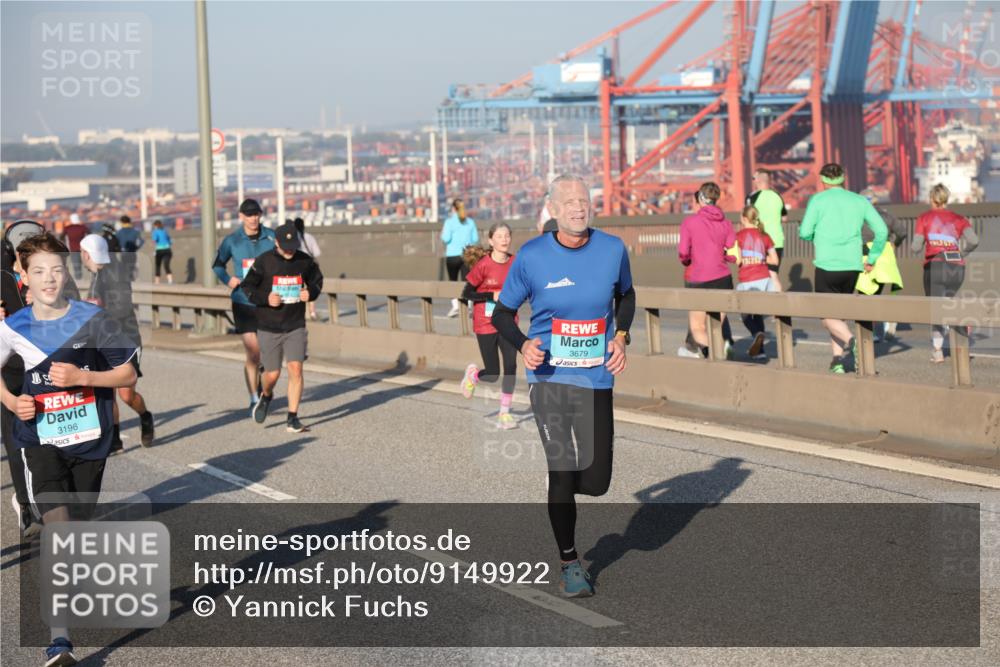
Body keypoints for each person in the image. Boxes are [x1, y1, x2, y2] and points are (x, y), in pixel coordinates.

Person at [492, 175, 635, 598]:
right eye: (569, 201)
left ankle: (562, 492)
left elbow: (627, 296)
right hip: (550, 377)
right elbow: (502, 314)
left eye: (584, 200)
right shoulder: (533, 256)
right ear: (552, 210)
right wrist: (523, 346)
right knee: (561, 468)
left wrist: (622, 336)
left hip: (595, 376)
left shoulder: (612, 249)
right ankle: (571, 562)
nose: (578, 207)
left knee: (595, 481)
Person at [0, 232, 137, 667]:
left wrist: (84, 378)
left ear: (67, 271)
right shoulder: (12, 327)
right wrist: (11, 400)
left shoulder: (91, 319)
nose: (49, 279)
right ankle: (60, 643)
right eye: (38, 271)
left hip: (90, 443)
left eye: (56, 270)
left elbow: (128, 374)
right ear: (23, 276)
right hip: (39, 440)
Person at [799, 163, 887, 373]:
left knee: (827, 316)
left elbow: (804, 232)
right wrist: (872, 257)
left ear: (822, 180)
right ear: (842, 179)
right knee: (837, 315)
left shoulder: (818, 200)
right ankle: (837, 361)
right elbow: (882, 231)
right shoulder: (859, 201)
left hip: (826, 265)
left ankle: (852, 342)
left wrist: (816, 237)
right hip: (852, 266)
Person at [241, 220, 324, 433]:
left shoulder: (304, 261)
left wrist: (311, 293)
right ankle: (266, 395)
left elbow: (317, 280)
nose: (290, 251)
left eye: (293, 247)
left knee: (296, 369)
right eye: (286, 248)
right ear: (276, 242)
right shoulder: (264, 262)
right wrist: (266, 298)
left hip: (295, 324)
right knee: (273, 374)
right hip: (269, 326)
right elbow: (247, 287)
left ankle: (293, 417)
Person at [80, 234, 155, 450]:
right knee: (107, 391)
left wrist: (98, 312)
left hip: (126, 341)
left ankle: (145, 416)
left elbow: (121, 309)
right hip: (103, 342)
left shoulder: (115, 275)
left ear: (86, 254)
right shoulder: (96, 276)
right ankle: (114, 440)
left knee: (126, 395)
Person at [212, 198, 276, 414]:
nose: (253, 218)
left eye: (256, 214)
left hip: (267, 301)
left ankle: (263, 383)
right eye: (249, 215)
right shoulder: (232, 241)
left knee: (268, 352)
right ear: (241, 216)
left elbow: (284, 258)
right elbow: (218, 265)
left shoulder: (271, 236)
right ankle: (253, 397)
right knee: (253, 351)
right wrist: (228, 279)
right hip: (243, 301)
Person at [458, 223, 519, 429]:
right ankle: (473, 375)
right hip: (485, 322)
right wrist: (491, 295)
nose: (504, 239)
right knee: (492, 374)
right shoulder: (483, 265)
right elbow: (466, 293)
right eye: (499, 236)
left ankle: (504, 413)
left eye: (507, 235)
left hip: (509, 321)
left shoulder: (516, 262)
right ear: (491, 241)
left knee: (511, 366)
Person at [911, 184, 980, 363]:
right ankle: (960, 323)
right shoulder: (959, 218)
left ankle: (938, 351)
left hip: (935, 267)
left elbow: (915, 246)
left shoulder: (924, 218)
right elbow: (974, 240)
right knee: (948, 303)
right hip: (957, 267)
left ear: (932, 198)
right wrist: (961, 253)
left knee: (936, 309)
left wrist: (920, 248)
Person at [677, 182, 737, 360]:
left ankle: (718, 348)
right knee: (716, 324)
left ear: (701, 199)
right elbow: (733, 254)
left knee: (698, 328)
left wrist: (687, 260)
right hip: (724, 278)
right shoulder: (726, 223)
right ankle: (722, 346)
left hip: (699, 278)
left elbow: (683, 253)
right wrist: (722, 256)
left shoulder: (690, 222)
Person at [856, 189, 908, 342]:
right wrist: (894, 244)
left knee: (865, 296)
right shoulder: (887, 215)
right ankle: (888, 319)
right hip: (886, 260)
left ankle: (870, 332)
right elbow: (902, 232)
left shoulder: (860, 217)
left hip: (867, 258)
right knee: (877, 295)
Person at [734, 205, 780, 360]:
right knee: (758, 314)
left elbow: (738, 260)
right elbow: (775, 260)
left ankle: (756, 333)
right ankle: (760, 352)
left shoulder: (739, 235)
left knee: (745, 314)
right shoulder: (765, 235)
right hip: (763, 278)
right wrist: (760, 258)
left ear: (744, 218)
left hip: (747, 280)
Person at [745, 169, 787, 291]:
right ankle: (777, 305)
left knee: (757, 276)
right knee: (773, 274)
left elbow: (747, 218)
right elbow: (784, 218)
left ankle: (761, 305)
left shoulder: (751, 197)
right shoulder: (777, 196)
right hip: (777, 240)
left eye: (753, 178)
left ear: (758, 180)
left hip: (759, 240)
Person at [441, 198, 479, 317]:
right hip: (466, 255)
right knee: (467, 281)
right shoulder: (470, 222)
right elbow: (475, 239)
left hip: (452, 256)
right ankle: (469, 306)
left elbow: (446, 239)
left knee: (453, 281)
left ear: (453, 209)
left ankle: (456, 306)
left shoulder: (449, 222)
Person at [293, 217, 322, 320]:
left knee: (299, 289)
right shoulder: (309, 237)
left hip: (297, 267)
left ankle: (302, 312)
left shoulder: (293, 238)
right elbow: (317, 253)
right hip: (310, 267)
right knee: (311, 288)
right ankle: (312, 311)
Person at [115, 215, 144, 281]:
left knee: (124, 267)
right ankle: (131, 279)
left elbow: (116, 242)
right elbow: (141, 241)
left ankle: (125, 281)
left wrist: (118, 249)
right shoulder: (135, 231)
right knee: (131, 266)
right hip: (132, 252)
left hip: (123, 252)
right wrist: (136, 248)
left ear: (122, 222)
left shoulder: (119, 232)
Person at [60, 213, 88, 280]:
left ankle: (78, 280)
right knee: (85, 266)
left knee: (76, 266)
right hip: (83, 250)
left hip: (72, 250)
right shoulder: (83, 227)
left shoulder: (67, 228)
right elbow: (90, 235)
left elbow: (61, 237)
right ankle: (84, 280)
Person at [152, 219, 173, 284]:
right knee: (166, 265)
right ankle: (170, 281)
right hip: (167, 249)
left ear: (155, 226)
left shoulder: (155, 231)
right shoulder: (165, 231)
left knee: (158, 265)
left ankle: (157, 281)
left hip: (159, 250)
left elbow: (155, 240)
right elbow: (170, 241)